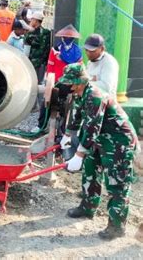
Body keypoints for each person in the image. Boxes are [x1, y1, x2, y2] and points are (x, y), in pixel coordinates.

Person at [59, 63, 138, 240]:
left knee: (117, 184)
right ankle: (88, 207)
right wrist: (68, 135)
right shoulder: (79, 94)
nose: (69, 86)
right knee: (90, 171)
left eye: (72, 82)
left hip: (119, 141)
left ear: (81, 81)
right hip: (99, 139)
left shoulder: (95, 95)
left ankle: (117, 226)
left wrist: (78, 154)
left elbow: (93, 126)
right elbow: (77, 116)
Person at [83, 34, 119, 100]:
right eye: (86, 50)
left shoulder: (109, 62)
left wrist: (84, 83)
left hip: (106, 104)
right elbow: (88, 78)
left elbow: (106, 87)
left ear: (102, 49)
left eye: (92, 51)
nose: (88, 53)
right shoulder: (90, 62)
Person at [24, 11, 51, 84]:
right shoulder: (47, 32)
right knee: (39, 83)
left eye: (32, 19)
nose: (31, 21)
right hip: (43, 63)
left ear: (36, 20)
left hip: (32, 63)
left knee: (31, 82)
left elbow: (26, 48)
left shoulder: (30, 33)